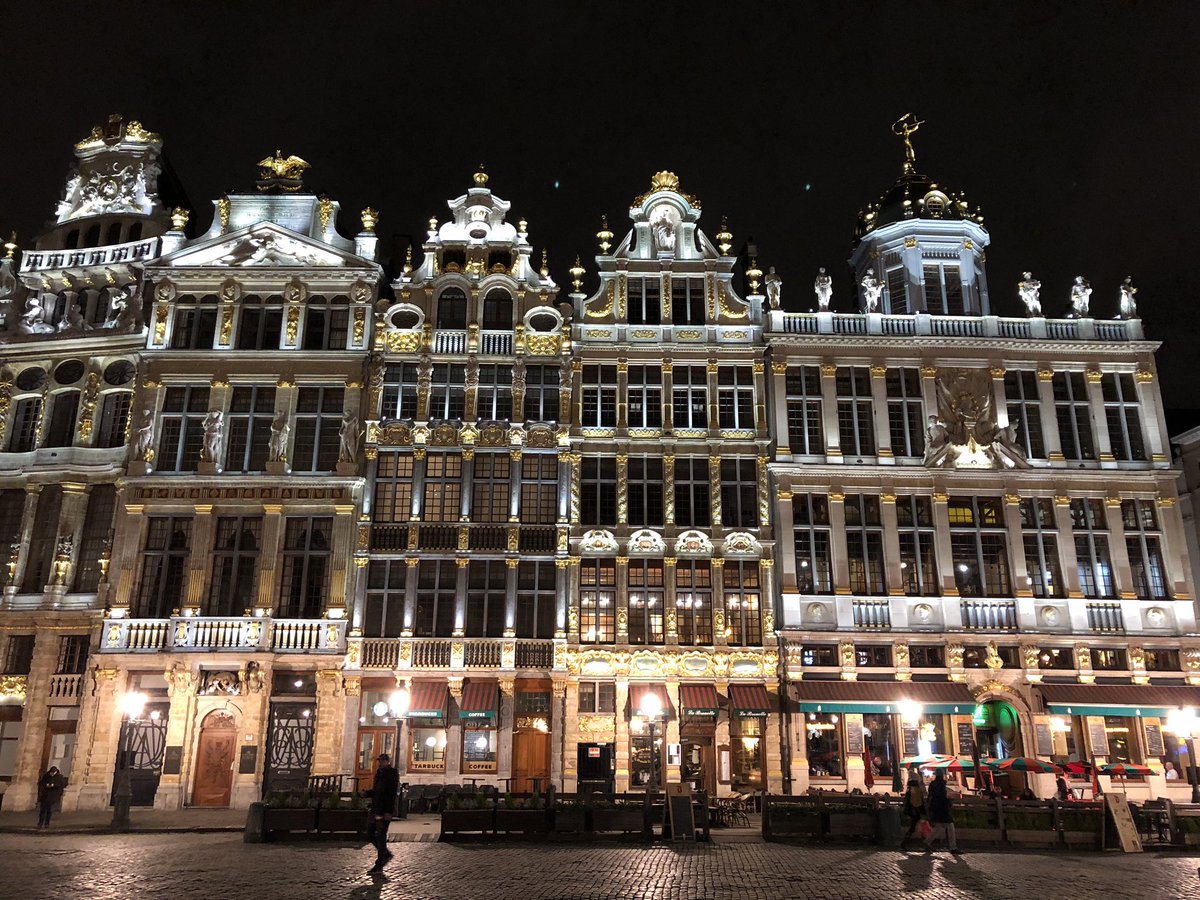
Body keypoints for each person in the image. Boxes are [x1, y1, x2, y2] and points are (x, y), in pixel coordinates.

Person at [367, 753, 399, 874]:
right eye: (378, 761)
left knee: (381, 836)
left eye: (381, 761)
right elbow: (377, 790)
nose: (379, 763)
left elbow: (390, 793)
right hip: (376, 808)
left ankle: (379, 863)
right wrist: (367, 793)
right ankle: (385, 854)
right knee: (370, 833)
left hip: (384, 809)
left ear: (386, 761)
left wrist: (388, 811)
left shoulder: (391, 773)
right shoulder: (379, 773)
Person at [924, 769, 961, 856]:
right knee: (950, 826)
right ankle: (953, 847)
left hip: (936, 807)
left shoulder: (932, 784)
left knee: (939, 826)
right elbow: (942, 796)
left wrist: (929, 807)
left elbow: (930, 796)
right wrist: (949, 800)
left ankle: (927, 842)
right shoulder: (942, 784)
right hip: (943, 808)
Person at [900, 768, 926, 850]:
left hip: (911, 811)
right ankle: (925, 842)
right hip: (915, 811)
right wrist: (923, 811)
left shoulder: (909, 789)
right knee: (915, 827)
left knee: (915, 827)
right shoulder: (916, 790)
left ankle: (906, 842)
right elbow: (917, 802)